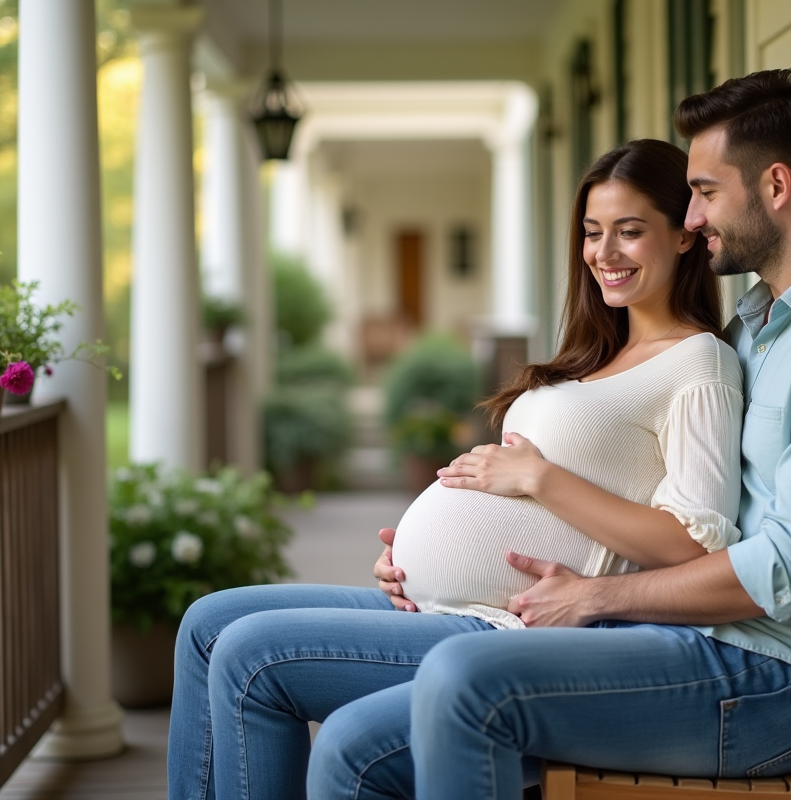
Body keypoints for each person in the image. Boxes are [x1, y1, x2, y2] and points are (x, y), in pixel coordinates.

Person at [364, 68, 791, 798]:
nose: (694, 217)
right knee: (357, 749)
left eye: (705, 192)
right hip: (686, 641)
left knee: (461, 678)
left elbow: (786, 568)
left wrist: (596, 597)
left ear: (775, 186)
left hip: (777, 685)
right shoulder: (757, 327)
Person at [167, 138, 744, 800]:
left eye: (629, 231)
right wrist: (411, 556)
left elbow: (695, 545)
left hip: (505, 627)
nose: (604, 253)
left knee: (252, 657)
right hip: (433, 604)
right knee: (207, 625)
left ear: (684, 235)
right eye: (592, 233)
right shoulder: (596, 353)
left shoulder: (698, 363)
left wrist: (539, 479)